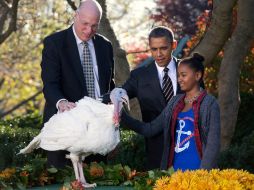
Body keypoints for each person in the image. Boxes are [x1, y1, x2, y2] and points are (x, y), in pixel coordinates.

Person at [41, 0, 115, 168]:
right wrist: (61, 102)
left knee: (98, 181)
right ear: (75, 16)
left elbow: (109, 85)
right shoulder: (55, 43)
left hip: (97, 132)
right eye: (85, 24)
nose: (89, 31)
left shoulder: (105, 46)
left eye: (94, 26)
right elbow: (50, 84)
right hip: (65, 131)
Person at [121, 53, 220, 171]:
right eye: (178, 76)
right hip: (173, 174)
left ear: (198, 75)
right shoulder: (175, 102)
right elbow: (150, 129)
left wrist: (203, 175)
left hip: (198, 175)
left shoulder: (209, 104)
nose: (179, 80)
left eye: (183, 75)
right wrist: (121, 116)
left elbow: (213, 145)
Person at [122, 26, 182, 170]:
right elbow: (120, 93)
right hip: (156, 152)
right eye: (154, 49)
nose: (159, 54)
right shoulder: (139, 76)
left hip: (187, 146)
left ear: (173, 45)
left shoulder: (190, 70)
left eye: (163, 48)